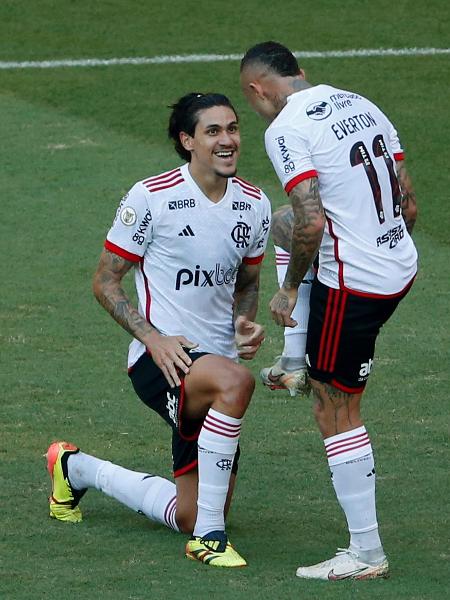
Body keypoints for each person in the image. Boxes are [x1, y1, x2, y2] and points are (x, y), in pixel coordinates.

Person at [46, 92, 271, 568]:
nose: (228, 140)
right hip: (161, 361)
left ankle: (76, 468)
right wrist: (153, 337)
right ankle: (209, 540)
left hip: (212, 363)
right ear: (187, 141)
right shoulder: (152, 197)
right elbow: (105, 279)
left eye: (232, 128)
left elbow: (247, 283)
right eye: (213, 132)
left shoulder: (254, 205)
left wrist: (243, 322)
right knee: (236, 382)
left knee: (188, 510)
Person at [240, 41, 418, 580]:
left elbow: (313, 222)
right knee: (280, 222)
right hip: (400, 263)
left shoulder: (286, 128)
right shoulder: (360, 103)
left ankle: (366, 553)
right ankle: (295, 359)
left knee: (333, 407)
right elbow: (407, 202)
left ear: (256, 90)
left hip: (355, 285)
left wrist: (289, 290)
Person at [259, 204, 314, 397]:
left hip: (356, 273)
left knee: (285, 220)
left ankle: (294, 357)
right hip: (397, 259)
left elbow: (312, 218)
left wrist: (288, 289)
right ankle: (294, 358)